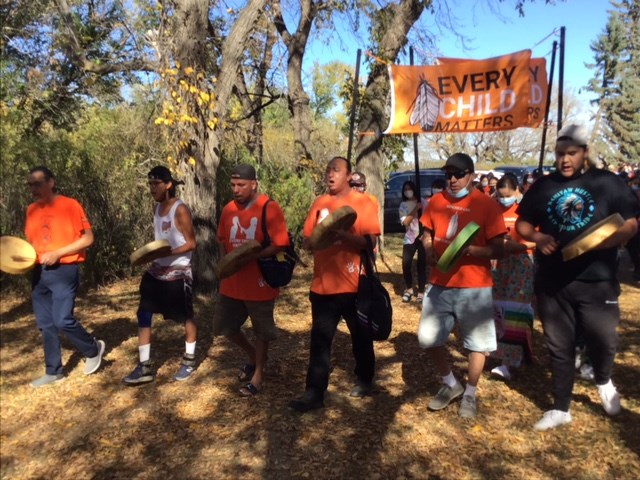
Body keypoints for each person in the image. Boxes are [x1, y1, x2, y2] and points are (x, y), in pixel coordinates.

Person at [516, 124, 639, 431]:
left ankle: (603, 379)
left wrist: (601, 242)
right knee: (559, 346)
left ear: (585, 152)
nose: (565, 160)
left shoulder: (607, 183)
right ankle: (560, 408)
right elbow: (522, 224)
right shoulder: (544, 186)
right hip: (553, 282)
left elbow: (631, 225)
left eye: (571, 153)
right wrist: (537, 237)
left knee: (604, 339)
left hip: (597, 280)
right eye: (560, 154)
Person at [418, 153, 506, 419]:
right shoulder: (436, 201)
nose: (452, 180)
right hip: (439, 281)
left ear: (471, 175)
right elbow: (426, 233)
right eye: (448, 175)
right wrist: (429, 246)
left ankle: (469, 392)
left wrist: (471, 251)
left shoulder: (486, 205)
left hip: (474, 286)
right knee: (427, 338)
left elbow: (499, 249)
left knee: (477, 344)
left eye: (458, 175)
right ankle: (451, 383)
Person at [290, 156, 381, 412]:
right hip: (323, 284)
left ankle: (365, 378)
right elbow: (308, 240)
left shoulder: (362, 202)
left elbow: (369, 242)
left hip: (354, 284)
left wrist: (342, 235)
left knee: (360, 337)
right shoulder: (320, 203)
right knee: (320, 339)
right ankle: (314, 392)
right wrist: (315, 241)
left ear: (348, 175)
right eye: (328, 169)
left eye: (336, 170)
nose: (330, 174)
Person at [212, 164, 290, 396]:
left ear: (253, 184)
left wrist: (253, 256)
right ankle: (254, 357)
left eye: (241, 185)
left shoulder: (269, 208)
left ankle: (258, 376)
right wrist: (225, 263)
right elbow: (221, 240)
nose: (236, 190)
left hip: (259, 284)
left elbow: (280, 243)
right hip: (232, 284)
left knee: (261, 332)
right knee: (223, 326)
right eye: (233, 185)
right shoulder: (228, 210)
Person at [25, 166, 105, 388]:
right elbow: (33, 245)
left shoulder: (69, 205)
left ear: (51, 182)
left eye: (37, 184)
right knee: (45, 324)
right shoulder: (31, 210)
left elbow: (88, 239)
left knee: (62, 319)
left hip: (64, 270)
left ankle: (93, 348)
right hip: (39, 272)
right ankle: (53, 371)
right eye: (30, 185)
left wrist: (58, 253)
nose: (33, 189)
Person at [123, 166, 197, 385]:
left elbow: (192, 243)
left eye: (156, 184)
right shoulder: (156, 209)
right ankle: (144, 366)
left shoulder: (180, 209)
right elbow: (160, 241)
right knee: (143, 314)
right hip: (157, 271)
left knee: (185, 317)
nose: (152, 188)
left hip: (178, 271)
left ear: (168, 185)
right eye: (150, 184)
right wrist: (151, 256)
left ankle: (189, 360)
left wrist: (169, 253)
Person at [490, 174, 536, 381]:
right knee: (499, 309)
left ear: (517, 190)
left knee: (516, 309)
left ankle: (511, 358)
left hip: (522, 262)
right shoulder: (495, 208)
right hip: (500, 263)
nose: (504, 200)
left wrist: (520, 246)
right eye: (500, 196)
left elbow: (538, 239)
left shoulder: (528, 209)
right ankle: (503, 354)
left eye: (507, 196)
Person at [398, 180, 426, 303]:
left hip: (423, 237)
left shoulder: (423, 202)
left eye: (409, 188)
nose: (408, 191)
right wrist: (416, 209)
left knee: (421, 265)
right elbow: (406, 222)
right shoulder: (403, 205)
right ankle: (409, 289)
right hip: (410, 238)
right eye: (405, 189)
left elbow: (430, 218)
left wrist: (426, 234)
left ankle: (421, 291)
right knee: (406, 264)